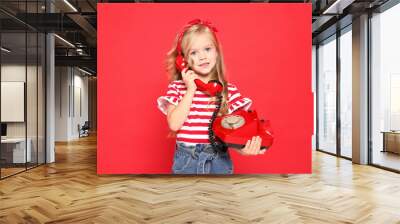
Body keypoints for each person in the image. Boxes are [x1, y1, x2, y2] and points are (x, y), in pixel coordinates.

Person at [157, 19, 264, 174]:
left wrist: (246, 149)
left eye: (207, 49)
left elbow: (234, 135)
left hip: (219, 160)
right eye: (194, 52)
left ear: (216, 52)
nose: (202, 57)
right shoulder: (178, 89)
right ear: (184, 61)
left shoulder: (229, 92)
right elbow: (174, 125)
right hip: (187, 160)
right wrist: (191, 90)